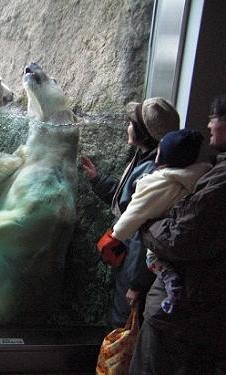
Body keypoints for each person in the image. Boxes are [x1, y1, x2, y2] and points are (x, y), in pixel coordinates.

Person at [129, 94, 226, 374]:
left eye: (214, 118)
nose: (209, 125)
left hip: (181, 308)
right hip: (193, 305)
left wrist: (145, 222)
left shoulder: (214, 177)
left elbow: (177, 238)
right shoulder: (207, 168)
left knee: (152, 364)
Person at [81, 97, 180, 328]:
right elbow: (129, 203)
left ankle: (117, 364)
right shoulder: (146, 158)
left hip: (136, 263)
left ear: (143, 133)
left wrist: (136, 284)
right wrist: (97, 180)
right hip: (129, 258)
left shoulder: (151, 173)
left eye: (130, 123)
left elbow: (142, 234)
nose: (127, 127)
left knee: (124, 322)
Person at [97, 129, 211, 315]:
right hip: (178, 246)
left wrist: (117, 233)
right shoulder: (198, 175)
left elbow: (135, 213)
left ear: (163, 158)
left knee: (152, 258)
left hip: (154, 245)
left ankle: (170, 280)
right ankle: (171, 280)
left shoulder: (156, 183)